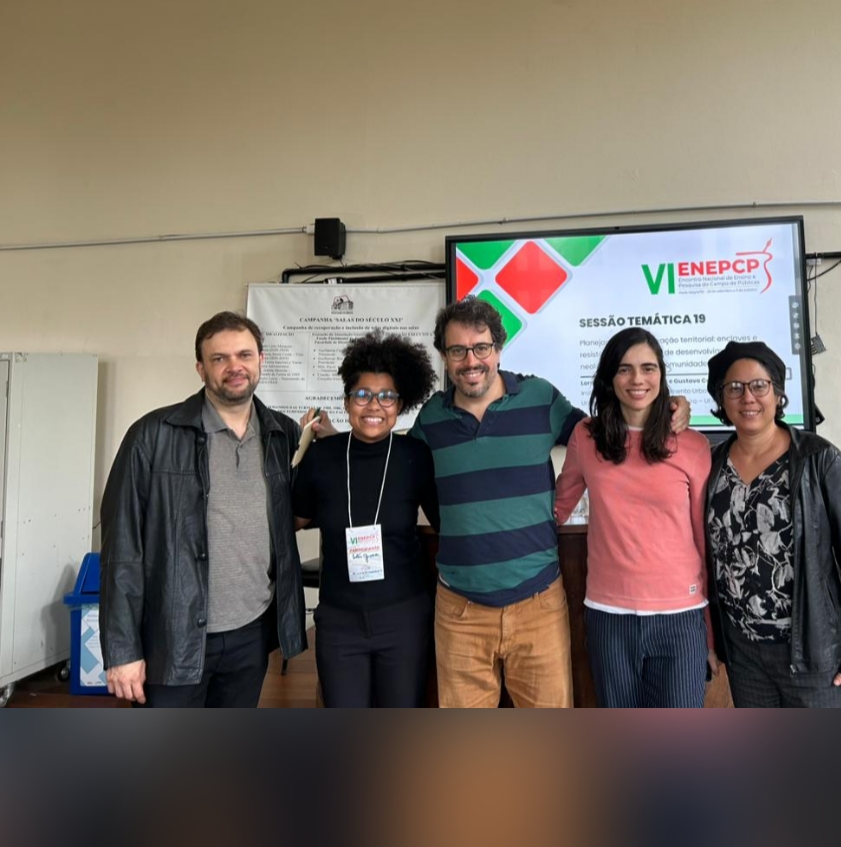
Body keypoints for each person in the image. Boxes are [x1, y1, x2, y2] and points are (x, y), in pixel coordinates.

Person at [409, 296, 691, 708]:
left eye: (481, 347)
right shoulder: (430, 419)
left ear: (498, 348)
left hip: (538, 606)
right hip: (459, 612)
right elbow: (402, 471)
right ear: (443, 355)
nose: (471, 361)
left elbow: (609, 431)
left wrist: (668, 406)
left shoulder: (540, 398)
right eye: (458, 350)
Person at [100, 311, 307, 707]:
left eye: (244, 355)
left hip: (251, 632)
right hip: (172, 637)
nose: (234, 367)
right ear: (201, 368)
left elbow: (298, 515)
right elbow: (121, 548)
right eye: (219, 358)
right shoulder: (152, 436)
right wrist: (123, 649)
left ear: (261, 360)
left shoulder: (283, 434)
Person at [703, 340, 841, 708]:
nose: (747, 397)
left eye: (759, 385)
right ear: (721, 399)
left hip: (813, 653)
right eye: (734, 388)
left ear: (778, 393)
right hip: (743, 654)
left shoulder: (820, 459)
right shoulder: (712, 464)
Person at [554, 327, 715, 707]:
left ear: (661, 374)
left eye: (648, 368)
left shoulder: (693, 445)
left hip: (680, 616)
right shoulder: (586, 437)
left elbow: (703, 540)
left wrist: (710, 634)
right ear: (609, 378)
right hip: (609, 616)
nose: (637, 379)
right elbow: (558, 508)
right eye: (624, 369)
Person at [292, 331, 440, 707]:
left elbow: (445, 522)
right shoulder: (321, 457)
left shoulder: (415, 456)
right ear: (346, 401)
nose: (374, 405)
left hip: (403, 619)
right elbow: (293, 519)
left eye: (387, 396)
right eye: (362, 394)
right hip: (339, 622)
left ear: (400, 404)